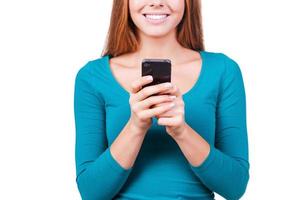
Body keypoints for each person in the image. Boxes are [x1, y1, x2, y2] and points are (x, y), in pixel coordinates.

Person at [73, 0, 250, 199]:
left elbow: (235, 187)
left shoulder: (223, 71)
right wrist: (136, 127)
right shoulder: (92, 77)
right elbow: (90, 192)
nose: (156, 2)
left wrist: (182, 131)